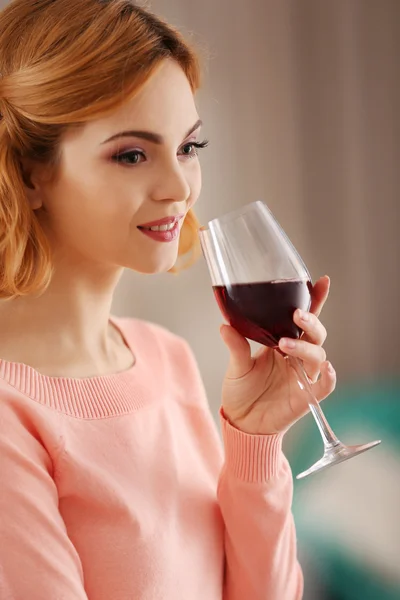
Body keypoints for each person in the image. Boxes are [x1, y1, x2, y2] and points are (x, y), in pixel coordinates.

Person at [0, 1, 336, 598]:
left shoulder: (166, 358)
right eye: (132, 154)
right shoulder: (10, 413)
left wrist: (255, 441)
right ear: (29, 174)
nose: (180, 186)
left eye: (188, 147)